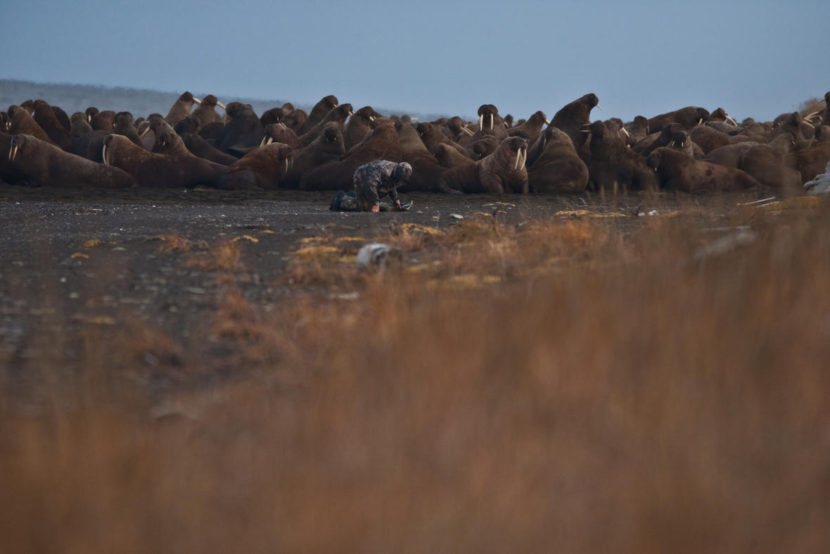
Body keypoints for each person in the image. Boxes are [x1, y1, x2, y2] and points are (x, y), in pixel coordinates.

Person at [330, 160, 413, 212]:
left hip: (373, 180)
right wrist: (375, 203)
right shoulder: (384, 170)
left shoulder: (397, 173)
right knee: (363, 207)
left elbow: (391, 186)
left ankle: (353, 196)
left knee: (370, 203)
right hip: (362, 176)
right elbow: (370, 185)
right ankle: (339, 199)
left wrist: (396, 199)